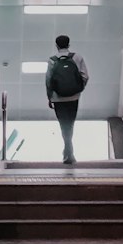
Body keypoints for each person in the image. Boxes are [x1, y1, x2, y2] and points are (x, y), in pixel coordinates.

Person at [44, 34, 89, 164]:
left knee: (64, 125)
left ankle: (68, 151)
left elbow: (48, 80)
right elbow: (85, 76)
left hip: (58, 98)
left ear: (56, 46)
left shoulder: (52, 60)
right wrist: (78, 89)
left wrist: (50, 97)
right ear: (68, 45)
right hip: (74, 97)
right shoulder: (77, 57)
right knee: (70, 123)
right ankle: (69, 151)